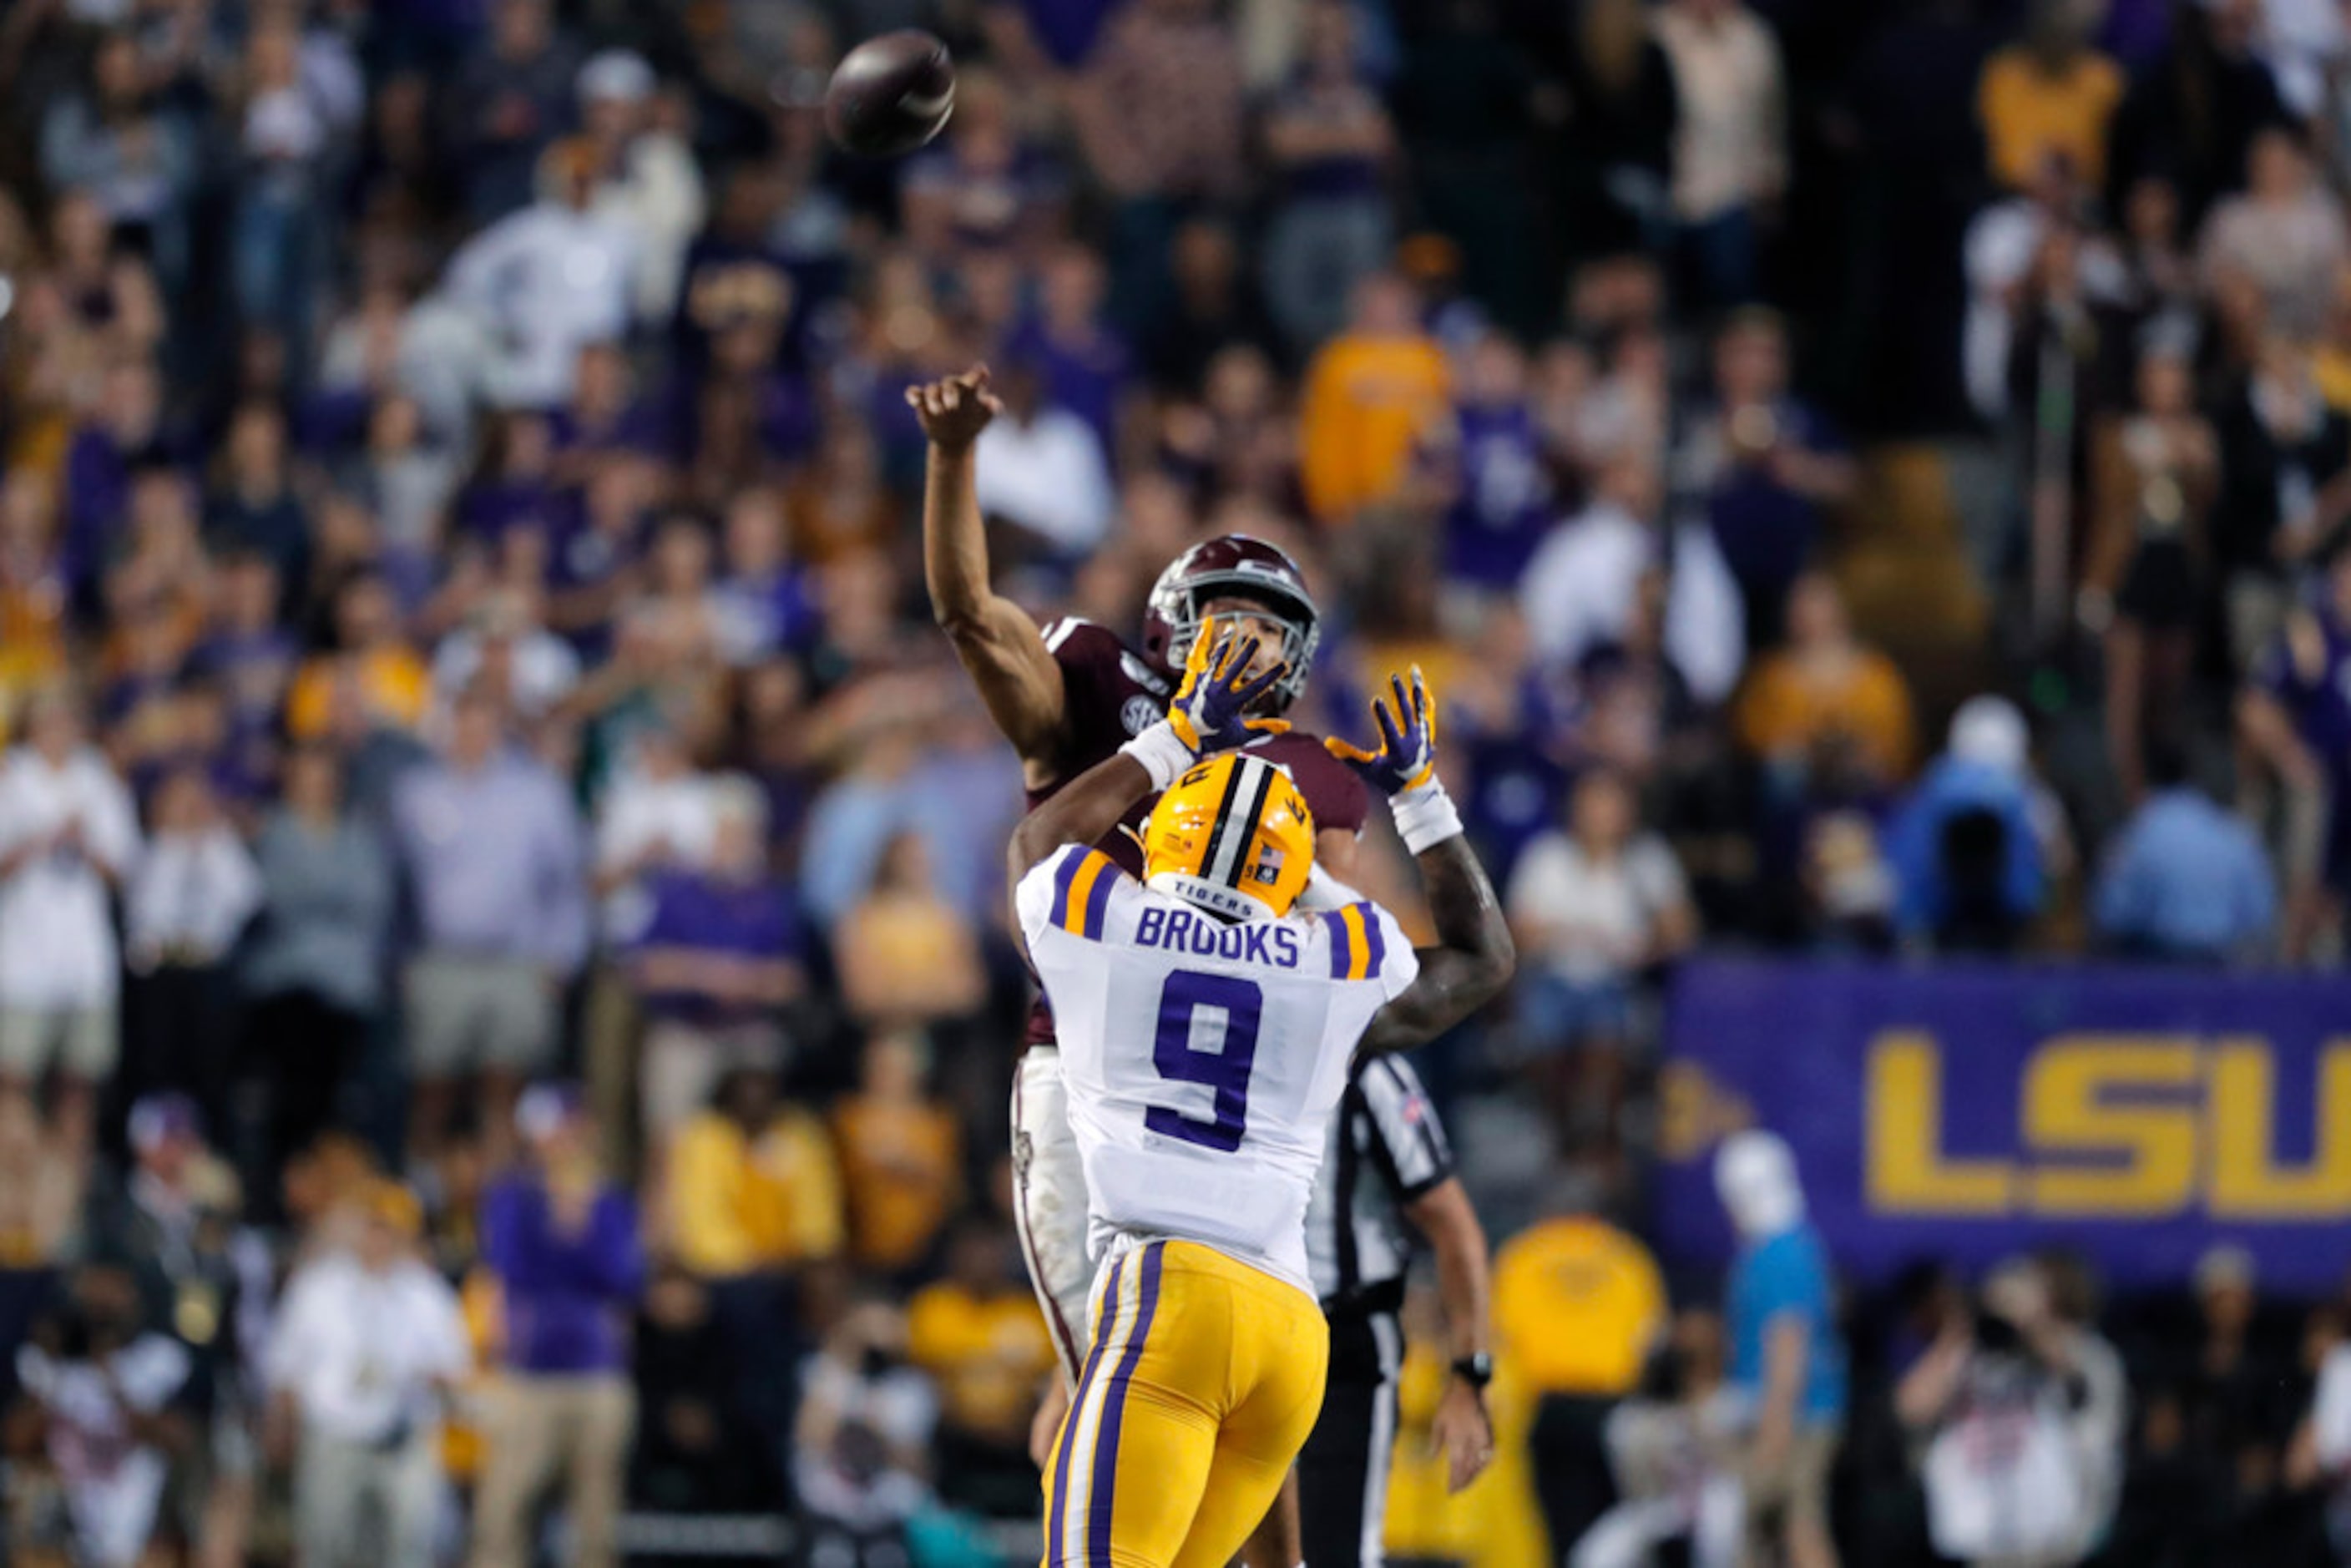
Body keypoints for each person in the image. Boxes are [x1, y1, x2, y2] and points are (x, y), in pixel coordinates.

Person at [907, 365, 1369, 1402]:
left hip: (1218, 1116)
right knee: (1118, 1398)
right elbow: (969, 616)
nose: (1251, 641)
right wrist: (951, 459)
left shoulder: (1302, 772)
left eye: (1270, 627)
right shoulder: (1099, 673)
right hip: (1084, 1069)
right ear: (1174, 620)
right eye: (1232, 615)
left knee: (1230, 1407)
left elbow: (1343, 961)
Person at [1008, 630, 1513, 1568]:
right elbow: (1482, 959)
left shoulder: (1105, 921)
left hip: (1168, 1294)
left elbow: (1040, 843)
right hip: (1290, 1329)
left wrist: (1175, 737)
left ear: (1164, 840)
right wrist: (1419, 798)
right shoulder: (1342, 951)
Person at [1297, 1054, 1497, 1568]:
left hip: (1340, 1337)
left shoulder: (1365, 1069)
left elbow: (1452, 1225)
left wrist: (1469, 1375)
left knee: (1333, 1551)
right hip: (1233, 1321)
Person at [389, 685, 588, 1169]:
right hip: (440, 960)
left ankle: (498, 1214)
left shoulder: (537, 792)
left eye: (484, 722)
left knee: (505, 1091)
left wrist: (560, 959)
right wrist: (401, 961)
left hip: (517, 962)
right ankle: (426, 1203)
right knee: (433, 1088)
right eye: (464, 722)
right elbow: (394, 884)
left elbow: (565, 881)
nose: (473, 733)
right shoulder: (416, 792)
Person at [471, 1085, 644, 1568]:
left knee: (595, 1521)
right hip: (529, 1370)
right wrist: (559, 1220)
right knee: (502, 1513)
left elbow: (623, 1277)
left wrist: (582, 1222)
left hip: (596, 1369)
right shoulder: (513, 1198)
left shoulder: (610, 1202)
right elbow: (510, 1267)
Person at [265, 1181, 469, 1568]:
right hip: (334, 1436)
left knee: (409, 1549)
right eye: (372, 1227)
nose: (378, 1239)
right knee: (325, 1546)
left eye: (387, 1228)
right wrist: (283, 1426)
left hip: (403, 1441)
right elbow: (284, 1366)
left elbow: (453, 1369)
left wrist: (429, 1380)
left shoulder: (425, 1292)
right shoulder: (318, 1287)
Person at [1895, 1257, 2128, 1568]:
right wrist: (1958, 1333)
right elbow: (1910, 1408)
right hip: (1985, 1534)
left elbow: (2080, 1390)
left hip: (2055, 1536)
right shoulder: (1970, 1353)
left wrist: (2032, 1326)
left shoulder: (2077, 1349)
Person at [1493, 1180, 1670, 1565]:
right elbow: (1652, 1341)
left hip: (1548, 1406)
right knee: (1614, 1527)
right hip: (1613, 1409)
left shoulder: (1524, 1254)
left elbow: (1501, 1337)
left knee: (1558, 1525)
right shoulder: (1628, 1258)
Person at [0, 685, 140, 1161]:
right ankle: (16, 1200)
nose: (59, 731)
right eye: (48, 721)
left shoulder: (97, 780)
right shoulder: (11, 777)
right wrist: (39, 841)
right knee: (14, 1078)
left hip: (85, 959)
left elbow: (123, 869)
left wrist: (85, 844)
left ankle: (67, 1199)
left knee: (79, 1083)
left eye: (67, 721)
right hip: (22, 955)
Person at [1714, 1130, 1846, 1568]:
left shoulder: (1779, 1255)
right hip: (1791, 1411)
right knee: (1781, 1530)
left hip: (1795, 1415)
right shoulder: (1788, 1247)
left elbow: (1788, 1343)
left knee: (1798, 1528)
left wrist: (1775, 1429)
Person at [2093, 741, 2277, 959]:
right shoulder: (2234, 834)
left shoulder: (2137, 834)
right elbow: (2261, 916)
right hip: (2222, 970)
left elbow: (2111, 915)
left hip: (2157, 968)